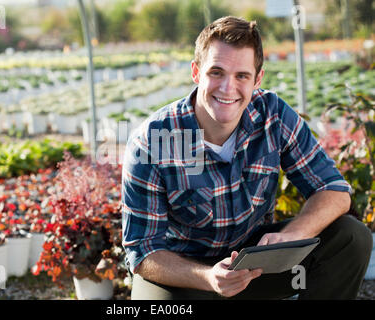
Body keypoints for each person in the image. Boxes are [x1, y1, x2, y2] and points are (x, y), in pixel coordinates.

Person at [121, 16, 373, 300]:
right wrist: (208, 278)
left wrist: (294, 234)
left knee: (350, 237)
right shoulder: (153, 140)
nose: (228, 88)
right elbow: (143, 251)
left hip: (254, 265)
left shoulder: (273, 115)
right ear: (196, 72)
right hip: (185, 273)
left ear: (257, 79)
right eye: (216, 72)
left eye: (241, 76)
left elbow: (334, 191)